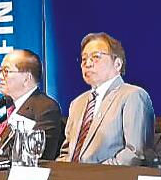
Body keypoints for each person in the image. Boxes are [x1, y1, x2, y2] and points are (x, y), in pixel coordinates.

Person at [57, 32, 154, 165]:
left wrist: (96, 174)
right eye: (84, 59)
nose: (88, 64)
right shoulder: (77, 103)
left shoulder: (132, 95)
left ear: (117, 64)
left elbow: (135, 153)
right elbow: (67, 152)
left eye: (96, 57)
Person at [0, 49, 63, 160]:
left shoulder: (45, 108)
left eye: (6, 71)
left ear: (27, 78)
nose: (0, 76)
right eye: (0, 71)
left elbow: (39, 154)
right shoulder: (5, 106)